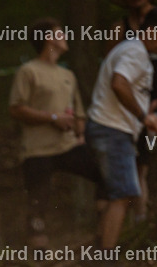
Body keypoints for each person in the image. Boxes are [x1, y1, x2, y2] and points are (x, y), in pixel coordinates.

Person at [86, 7, 157, 267]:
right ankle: (104, 263)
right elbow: (119, 83)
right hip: (112, 131)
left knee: (118, 193)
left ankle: (97, 256)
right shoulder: (134, 52)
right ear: (150, 29)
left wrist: (147, 116)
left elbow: (126, 87)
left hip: (112, 129)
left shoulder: (131, 51)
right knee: (124, 193)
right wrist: (142, 117)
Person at [9, 17, 103, 246]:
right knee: (37, 204)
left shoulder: (67, 75)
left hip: (68, 146)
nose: (66, 37)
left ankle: (101, 234)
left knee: (105, 175)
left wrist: (80, 134)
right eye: (61, 33)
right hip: (37, 150)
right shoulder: (28, 71)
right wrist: (52, 118)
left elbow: (79, 113)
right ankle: (39, 263)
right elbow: (16, 108)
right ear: (49, 38)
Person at [109, 2, 157, 223]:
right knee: (139, 165)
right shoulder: (120, 29)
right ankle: (140, 219)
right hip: (141, 108)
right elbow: (113, 69)